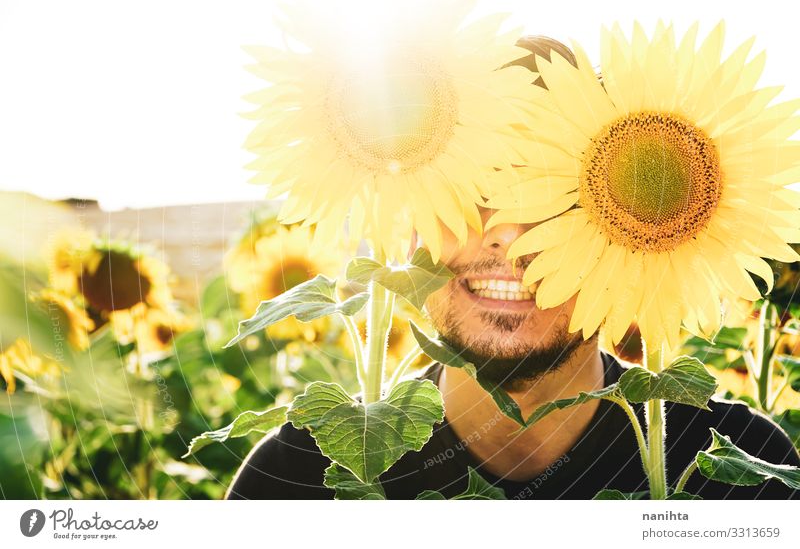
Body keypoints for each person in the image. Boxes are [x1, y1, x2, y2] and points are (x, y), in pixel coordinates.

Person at [225, 37, 800, 500]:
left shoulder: (746, 480)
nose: (507, 231)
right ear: (408, 212)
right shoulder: (293, 484)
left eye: (556, 196)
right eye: (472, 188)